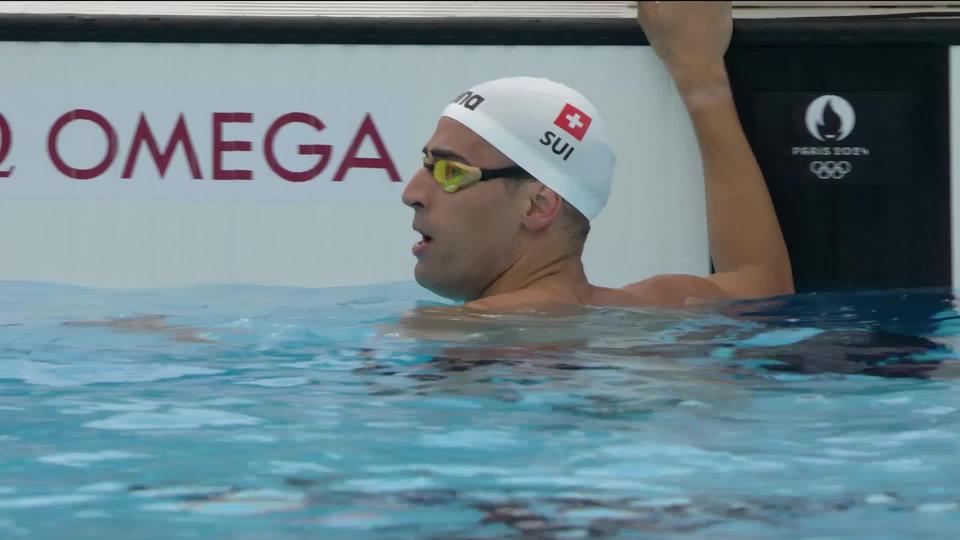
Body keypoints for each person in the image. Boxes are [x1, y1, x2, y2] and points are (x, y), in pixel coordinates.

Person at [401, 1, 794, 311]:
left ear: (538, 205)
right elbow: (764, 286)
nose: (411, 192)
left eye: (450, 171)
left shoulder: (452, 337)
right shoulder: (657, 309)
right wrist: (699, 73)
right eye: (426, 165)